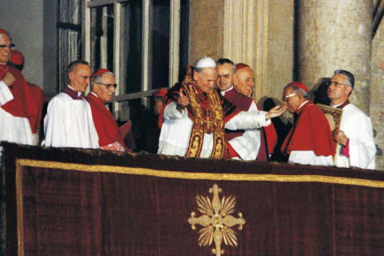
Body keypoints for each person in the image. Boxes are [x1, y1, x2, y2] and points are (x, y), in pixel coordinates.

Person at [158, 56, 286, 158]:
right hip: (177, 154)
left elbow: (236, 119)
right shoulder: (181, 91)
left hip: (204, 159)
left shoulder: (215, 98)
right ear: (196, 76)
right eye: (208, 80)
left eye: (214, 80)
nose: (213, 84)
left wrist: (265, 116)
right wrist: (179, 106)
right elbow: (168, 113)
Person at [216, 58, 276, 161]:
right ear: (234, 80)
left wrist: (226, 149)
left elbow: (254, 137)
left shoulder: (247, 103)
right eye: (247, 80)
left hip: (235, 158)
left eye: (252, 80)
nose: (251, 84)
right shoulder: (212, 97)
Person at [327, 70, 376, 169]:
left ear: (347, 89)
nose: (330, 87)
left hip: (343, 172)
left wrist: (346, 142)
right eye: (330, 83)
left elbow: (369, 151)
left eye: (336, 84)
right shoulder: (322, 112)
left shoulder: (358, 117)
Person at [43, 60, 98, 148]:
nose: (88, 82)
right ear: (71, 76)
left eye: (89, 78)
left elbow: (93, 137)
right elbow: (57, 139)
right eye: (84, 77)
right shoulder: (59, 102)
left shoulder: (86, 104)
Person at [0, 29, 39, 151]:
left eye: (9, 46)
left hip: (20, 130)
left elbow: (26, 108)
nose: (8, 50)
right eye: (3, 46)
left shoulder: (17, 74)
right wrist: (3, 85)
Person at [281, 81, 335, 166]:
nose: (284, 103)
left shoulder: (308, 114)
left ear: (299, 96)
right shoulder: (309, 111)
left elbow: (300, 155)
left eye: (286, 99)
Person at [9, 49, 45, 145]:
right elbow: (38, 122)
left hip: (10, 137)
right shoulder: (36, 90)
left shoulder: (5, 89)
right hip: (31, 137)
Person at [86, 69, 125, 151]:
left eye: (114, 86)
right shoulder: (90, 104)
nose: (113, 90)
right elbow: (100, 139)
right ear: (96, 87)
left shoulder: (98, 103)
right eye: (108, 86)